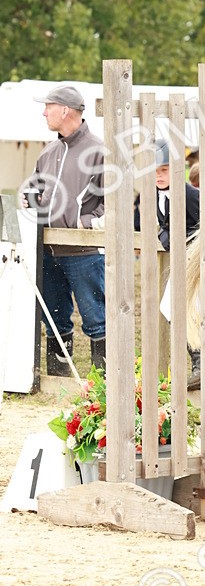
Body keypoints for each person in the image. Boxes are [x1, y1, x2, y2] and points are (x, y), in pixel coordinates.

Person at [21, 85, 106, 374]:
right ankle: (57, 379)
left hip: (84, 251)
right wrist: (28, 199)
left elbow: (115, 202)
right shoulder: (47, 153)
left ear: (65, 110)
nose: (44, 112)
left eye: (48, 106)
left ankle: (103, 387)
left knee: (96, 318)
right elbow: (34, 192)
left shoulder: (99, 151)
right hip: (47, 249)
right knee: (53, 318)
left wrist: (85, 223)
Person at [134, 139, 202, 388]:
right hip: (179, 261)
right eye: (154, 171)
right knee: (170, 307)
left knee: (186, 308)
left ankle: (200, 363)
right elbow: (162, 224)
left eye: (163, 171)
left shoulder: (190, 195)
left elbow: (202, 225)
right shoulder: (150, 195)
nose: (159, 176)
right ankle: (196, 360)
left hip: (196, 261)